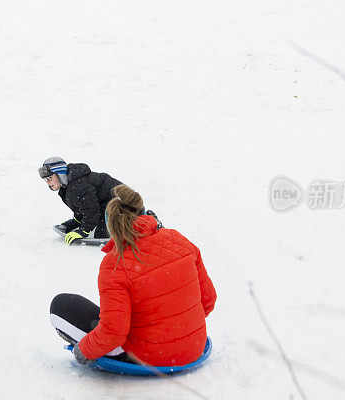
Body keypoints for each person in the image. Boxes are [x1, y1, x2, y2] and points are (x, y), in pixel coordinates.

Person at [49, 184, 217, 367]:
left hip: (149, 357)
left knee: (62, 305)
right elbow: (208, 299)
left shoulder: (115, 264)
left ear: (111, 226)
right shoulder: (179, 240)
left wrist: (84, 350)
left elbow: (113, 332)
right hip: (195, 347)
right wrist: (177, 326)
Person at [38, 157, 122, 245]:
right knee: (98, 219)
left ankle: (124, 229)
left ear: (60, 175)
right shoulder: (66, 188)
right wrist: (78, 221)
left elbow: (91, 209)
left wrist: (84, 230)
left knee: (101, 234)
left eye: (49, 178)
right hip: (104, 203)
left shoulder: (79, 185)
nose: (47, 182)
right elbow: (82, 206)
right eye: (45, 179)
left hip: (121, 202)